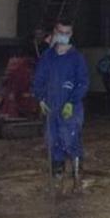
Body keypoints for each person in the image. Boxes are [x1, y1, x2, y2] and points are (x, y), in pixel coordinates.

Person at [33, 21, 89, 192]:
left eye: (67, 32)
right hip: (52, 107)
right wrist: (41, 98)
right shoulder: (47, 57)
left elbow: (83, 82)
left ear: (71, 35)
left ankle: (77, 178)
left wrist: (72, 102)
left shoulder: (77, 58)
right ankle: (57, 179)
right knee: (53, 141)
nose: (63, 35)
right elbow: (39, 80)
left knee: (70, 140)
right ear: (54, 32)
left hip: (70, 108)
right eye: (60, 31)